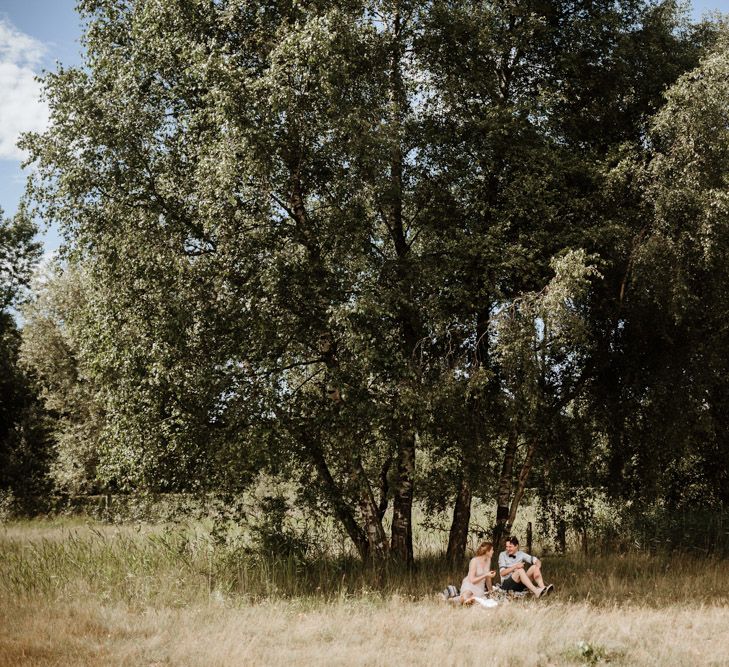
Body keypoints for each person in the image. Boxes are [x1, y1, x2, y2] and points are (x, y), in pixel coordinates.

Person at [458, 541, 496, 605]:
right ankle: (458, 600)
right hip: (470, 585)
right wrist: (486, 574)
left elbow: (488, 579)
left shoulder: (488, 560)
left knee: (478, 601)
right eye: (492, 550)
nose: (493, 551)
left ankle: (455, 600)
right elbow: (472, 580)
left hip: (480, 588)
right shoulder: (474, 561)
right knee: (467, 595)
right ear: (487, 551)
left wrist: (491, 592)